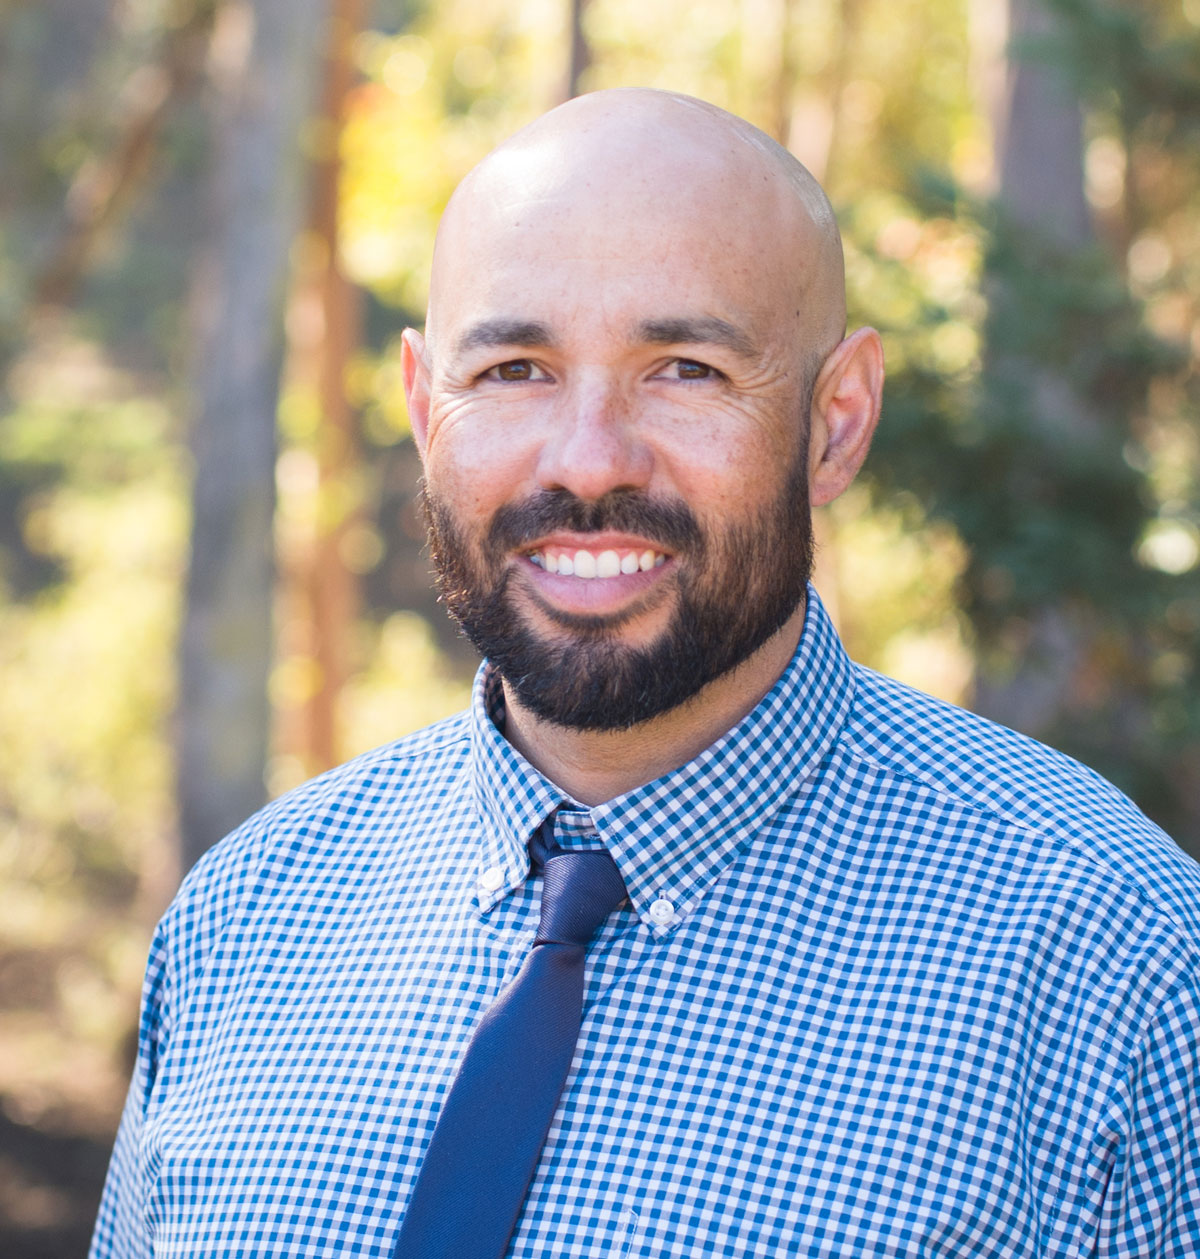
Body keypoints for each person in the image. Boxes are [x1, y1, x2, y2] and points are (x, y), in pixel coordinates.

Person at [91, 88, 1200, 1258]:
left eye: (683, 368)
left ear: (836, 420)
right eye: (515, 368)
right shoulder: (243, 918)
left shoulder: (1115, 956)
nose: (586, 460)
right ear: (425, 409)